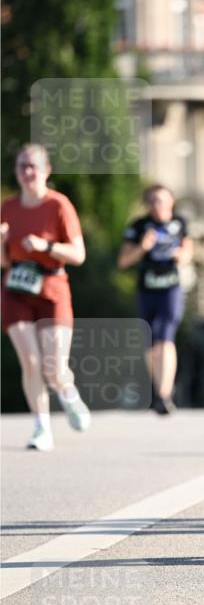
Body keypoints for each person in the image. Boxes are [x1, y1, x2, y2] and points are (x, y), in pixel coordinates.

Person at [1, 143, 90, 450]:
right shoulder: (8, 208)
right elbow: (3, 262)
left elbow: (79, 254)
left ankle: (67, 392)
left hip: (52, 289)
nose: (27, 172)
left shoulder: (58, 205)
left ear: (46, 170)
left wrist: (45, 247)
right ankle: (42, 428)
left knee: (54, 367)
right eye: (21, 166)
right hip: (16, 292)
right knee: (30, 361)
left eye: (32, 166)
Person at [117, 184, 192, 414]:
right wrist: (142, 247)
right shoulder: (138, 227)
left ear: (171, 202)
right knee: (150, 341)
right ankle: (158, 388)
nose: (157, 206)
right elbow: (123, 261)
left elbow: (188, 251)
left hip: (170, 288)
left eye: (162, 201)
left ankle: (164, 395)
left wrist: (180, 255)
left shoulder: (180, 223)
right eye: (153, 202)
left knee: (165, 335)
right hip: (147, 289)